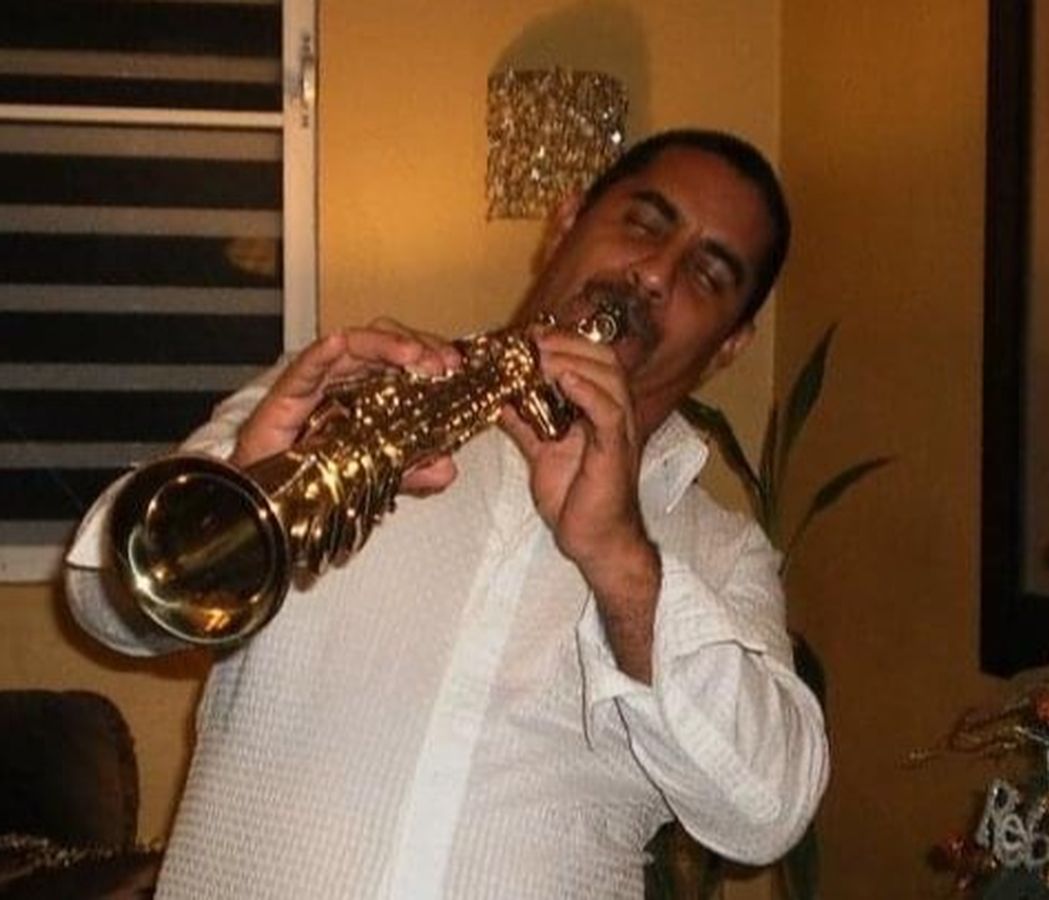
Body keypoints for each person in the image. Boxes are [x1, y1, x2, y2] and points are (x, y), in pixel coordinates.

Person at [66, 128, 829, 899]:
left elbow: (766, 814)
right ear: (566, 221)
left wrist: (623, 561)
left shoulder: (726, 552)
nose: (655, 274)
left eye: (707, 273)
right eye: (644, 222)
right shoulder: (335, 397)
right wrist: (250, 481)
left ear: (730, 345)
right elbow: (102, 596)